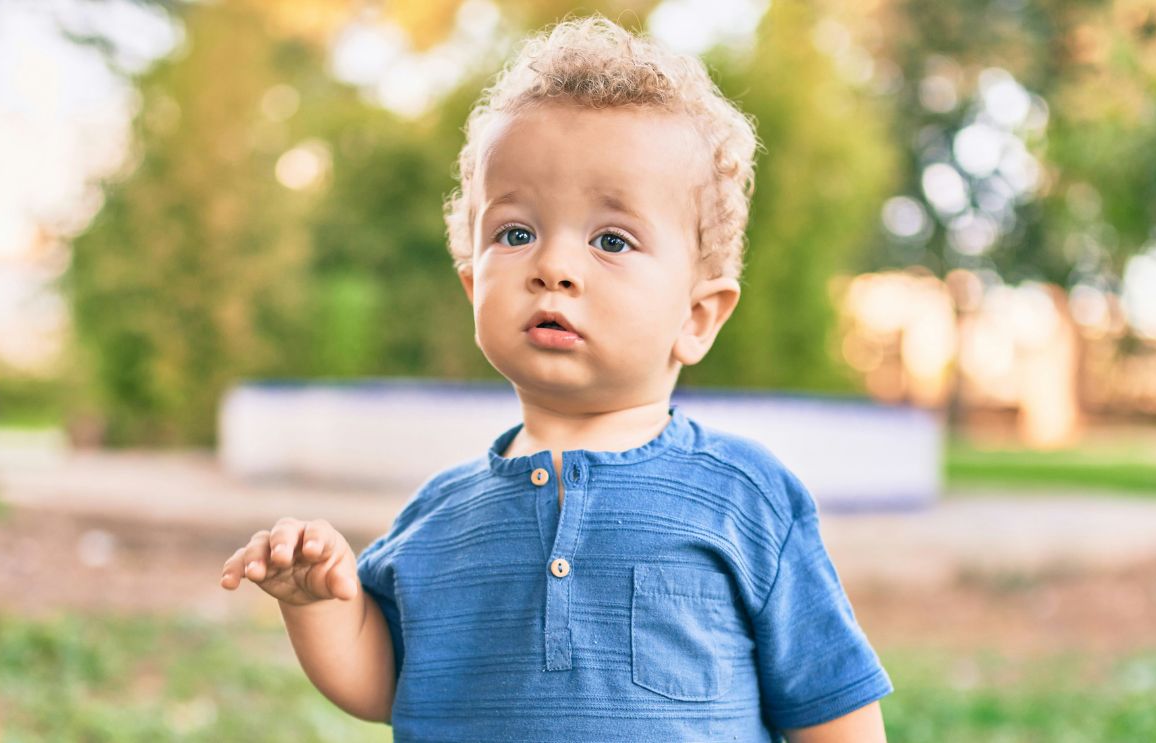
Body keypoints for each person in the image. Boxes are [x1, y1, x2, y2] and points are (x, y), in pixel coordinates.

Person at [220, 14, 892, 742]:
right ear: (473, 285)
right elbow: (383, 682)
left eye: (611, 239)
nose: (553, 266)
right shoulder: (437, 517)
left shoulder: (744, 497)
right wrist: (320, 604)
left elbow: (832, 707)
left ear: (697, 317)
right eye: (516, 233)